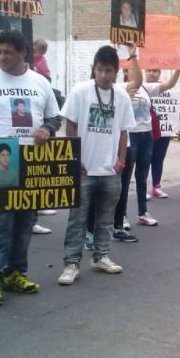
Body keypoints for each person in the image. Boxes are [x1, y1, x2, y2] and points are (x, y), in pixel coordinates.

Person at [0, 30, 61, 308]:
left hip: (33, 163)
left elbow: (54, 117)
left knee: (25, 222)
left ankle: (15, 272)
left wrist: (46, 129)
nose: (2, 57)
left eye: (8, 52)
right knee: (0, 223)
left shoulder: (40, 82)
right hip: (2, 163)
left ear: (23, 54)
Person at [58, 46, 135, 285]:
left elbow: (123, 131)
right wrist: (74, 156)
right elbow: (70, 124)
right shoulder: (80, 91)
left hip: (110, 170)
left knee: (106, 218)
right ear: (94, 69)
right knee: (77, 219)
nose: (103, 75)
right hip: (84, 169)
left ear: (115, 72)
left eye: (108, 70)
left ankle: (101, 256)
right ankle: (71, 263)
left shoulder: (121, 96)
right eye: (99, 69)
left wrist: (121, 161)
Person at [114, 52, 180, 231]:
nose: (136, 73)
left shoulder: (146, 88)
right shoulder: (119, 88)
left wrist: (178, 68)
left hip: (147, 134)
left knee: (142, 176)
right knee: (125, 177)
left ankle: (142, 213)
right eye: (131, 70)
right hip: (131, 135)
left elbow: (169, 84)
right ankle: (121, 215)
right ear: (126, 72)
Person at [148, 69, 172, 198]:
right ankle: (143, 188)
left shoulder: (167, 91)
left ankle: (156, 186)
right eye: (149, 71)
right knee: (145, 159)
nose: (151, 73)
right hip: (147, 131)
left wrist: (175, 126)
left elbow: (173, 110)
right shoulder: (142, 89)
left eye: (155, 71)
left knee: (159, 158)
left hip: (164, 130)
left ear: (159, 73)